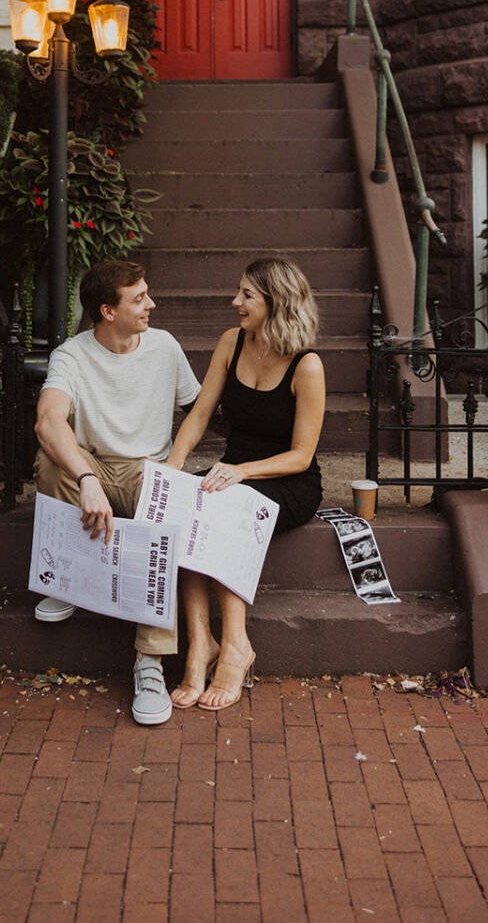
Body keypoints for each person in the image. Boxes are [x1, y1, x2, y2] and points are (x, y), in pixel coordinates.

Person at [33, 259, 200, 726]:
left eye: (147, 293)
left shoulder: (164, 346)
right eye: (140, 298)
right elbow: (48, 420)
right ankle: (68, 575)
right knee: (52, 460)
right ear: (107, 311)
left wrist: (176, 465)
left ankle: (150, 664)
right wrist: (87, 479)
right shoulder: (73, 354)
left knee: (163, 509)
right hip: (96, 465)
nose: (152, 304)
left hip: (149, 469)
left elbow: (200, 408)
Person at [165, 257, 325, 711]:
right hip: (231, 475)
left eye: (246, 295)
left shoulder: (307, 365)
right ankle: (201, 645)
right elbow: (198, 414)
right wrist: (176, 467)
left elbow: (302, 455)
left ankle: (236, 647)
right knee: (185, 505)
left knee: (223, 510)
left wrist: (243, 472)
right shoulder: (231, 342)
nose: (236, 302)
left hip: (287, 481)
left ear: (275, 302)